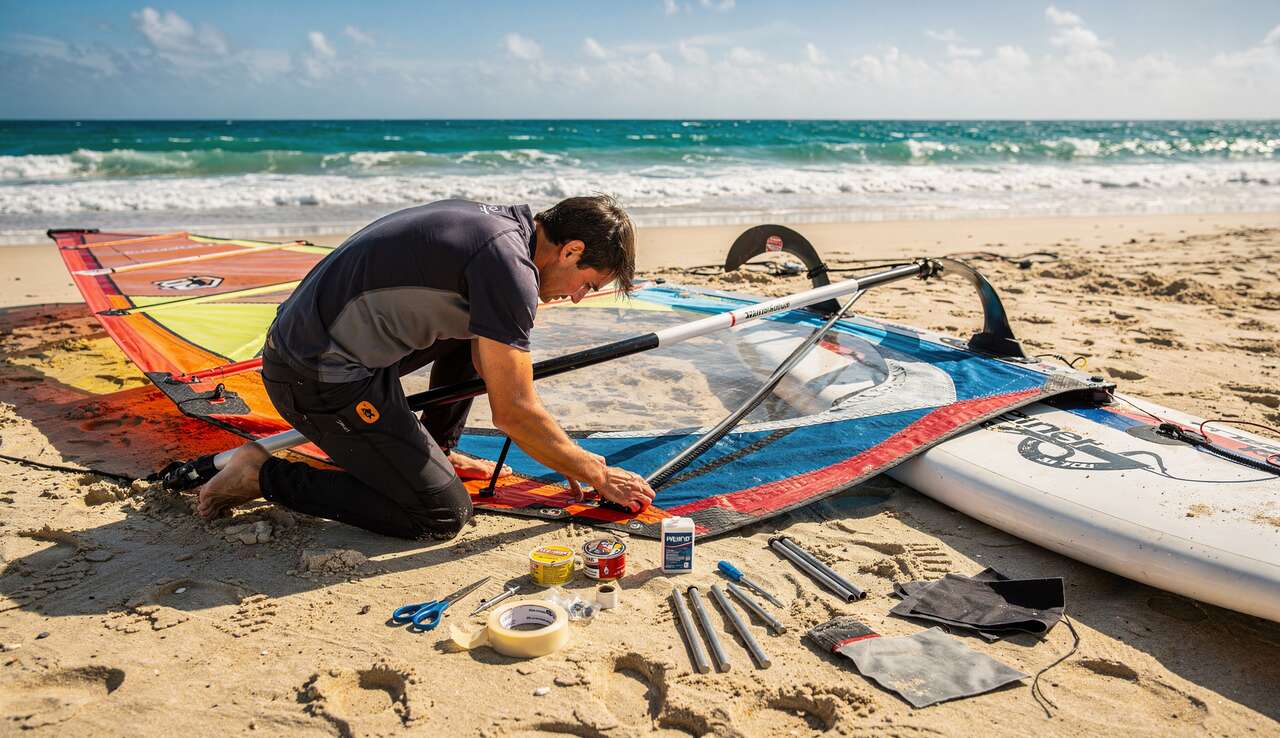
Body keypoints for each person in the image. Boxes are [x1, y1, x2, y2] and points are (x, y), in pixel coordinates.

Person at [195, 196, 656, 539]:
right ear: (571, 250)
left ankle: (437, 446)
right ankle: (262, 475)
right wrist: (594, 470)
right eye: (587, 284)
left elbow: (488, 364)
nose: (576, 297)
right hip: (313, 375)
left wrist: (557, 450)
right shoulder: (509, 268)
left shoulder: (501, 226)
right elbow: (513, 410)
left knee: (484, 336)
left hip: (315, 343)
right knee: (439, 514)